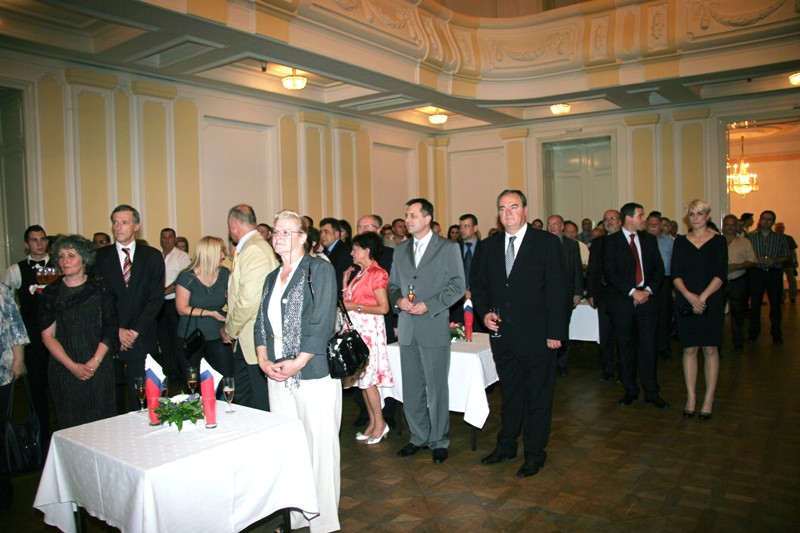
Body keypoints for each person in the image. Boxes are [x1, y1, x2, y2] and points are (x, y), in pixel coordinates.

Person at [254, 210, 340, 533]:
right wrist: (263, 360)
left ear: (303, 237)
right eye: (275, 232)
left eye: (286, 232)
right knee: (291, 449)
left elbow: (321, 323)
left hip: (312, 371)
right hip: (277, 372)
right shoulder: (271, 277)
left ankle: (324, 522)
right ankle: (297, 515)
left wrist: (298, 362)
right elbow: (260, 324)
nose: (278, 237)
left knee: (319, 448)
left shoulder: (319, 269)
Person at [472, 190, 567, 478]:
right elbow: (479, 286)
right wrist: (484, 312)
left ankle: (535, 454)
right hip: (503, 336)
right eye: (502, 208)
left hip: (539, 336)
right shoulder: (488, 247)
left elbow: (558, 290)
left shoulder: (546, 243)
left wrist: (555, 332)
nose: (508, 213)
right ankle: (507, 446)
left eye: (514, 206)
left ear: (525, 209)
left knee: (538, 397)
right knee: (511, 395)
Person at [388, 198, 465, 465]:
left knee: (436, 388)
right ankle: (418, 436)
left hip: (433, 324)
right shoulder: (401, 249)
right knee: (411, 387)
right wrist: (398, 300)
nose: (407, 220)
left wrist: (429, 305)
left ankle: (439, 440)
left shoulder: (447, 247)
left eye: (413, 215)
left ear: (427, 218)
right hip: (407, 327)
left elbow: (458, 286)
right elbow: (392, 286)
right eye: (406, 215)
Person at [40, 235, 118, 429]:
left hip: (99, 366)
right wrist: (72, 366)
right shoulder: (51, 292)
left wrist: (94, 362)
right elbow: (48, 336)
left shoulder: (101, 288)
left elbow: (110, 329)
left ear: (84, 259)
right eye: (61, 256)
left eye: (71, 255)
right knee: (72, 427)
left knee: (103, 426)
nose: (64, 261)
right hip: (64, 369)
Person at [94, 205, 164, 413]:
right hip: (109, 337)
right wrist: (116, 330)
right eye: (115, 222)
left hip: (141, 336)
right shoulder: (99, 257)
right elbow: (96, 299)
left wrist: (134, 331)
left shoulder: (152, 256)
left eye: (124, 222)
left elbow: (155, 299)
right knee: (110, 399)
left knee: (141, 399)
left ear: (136, 226)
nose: (118, 227)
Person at [603, 202, 669, 409]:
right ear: (629, 218)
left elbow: (659, 270)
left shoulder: (649, 240)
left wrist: (647, 291)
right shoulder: (611, 242)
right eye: (641, 215)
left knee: (648, 347)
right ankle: (630, 390)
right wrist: (633, 292)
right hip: (623, 303)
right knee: (626, 348)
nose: (644, 219)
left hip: (647, 301)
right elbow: (611, 273)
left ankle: (652, 392)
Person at [671, 200, 727, 421]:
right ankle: (691, 397)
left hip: (711, 300)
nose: (695, 218)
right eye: (692, 214)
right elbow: (675, 273)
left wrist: (702, 298)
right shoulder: (681, 242)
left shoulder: (718, 241)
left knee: (710, 349)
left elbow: (720, 274)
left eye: (700, 214)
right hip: (686, 299)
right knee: (689, 349)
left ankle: (708, 399)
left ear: (708, 216)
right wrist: (689, 296)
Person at [222, 204, 279, 411]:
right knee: (245, 400)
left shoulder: (254, 249)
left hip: (255, 337)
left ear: (233, 224)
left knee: (258, 402)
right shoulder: (252, 247)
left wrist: (230, 329)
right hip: (247, 339)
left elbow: (249, 301)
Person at [1, 225, 55, 441]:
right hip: (32, 335)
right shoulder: (16, 270)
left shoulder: (60, 264)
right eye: (34, 240)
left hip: (59, 333)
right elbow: (7, 305)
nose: (39, 243)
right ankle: (41, 433)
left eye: (42, 239)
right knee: (36, 385)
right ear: (26, 244)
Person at [342, 232, 393, 444]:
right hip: (358, 330)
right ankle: (372, 423)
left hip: (369, 330)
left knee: (369, 381)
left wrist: (357, 307)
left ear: (366, 250)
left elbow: (383, 307)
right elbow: (348, 301)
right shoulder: (360, 273)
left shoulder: (377, 273)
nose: (352, 253)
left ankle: (380, 424)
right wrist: (345, 284)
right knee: (363, 381)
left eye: (355, 249)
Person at [175, 236, 232, 380]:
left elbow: (232, 301)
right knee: (193, 381)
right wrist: (209, 313)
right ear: (210, 254)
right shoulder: (187, 277)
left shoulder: (224, 273)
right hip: (192, 336)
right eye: (220, 252)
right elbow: (181, 308)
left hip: (218, 334)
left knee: (225, 378)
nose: (223, 256)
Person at [0, 284, 28, 510]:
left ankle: (3, 491)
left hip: (1, 374)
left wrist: (19, 360)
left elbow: (16, 326)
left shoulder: (1, 290)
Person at [587, 210, 622, 381]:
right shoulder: (598, 243)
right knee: (606, 335)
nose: (609, 222)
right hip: (603, 296)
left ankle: (624, 370)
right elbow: (592, 269)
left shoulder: (627, 241)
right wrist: (591, 293)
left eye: (613, 218)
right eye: (606, 219)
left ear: (620, 221)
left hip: (623, 296)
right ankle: (608, 369)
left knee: (623, 336)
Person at [547, 214, 582, 376]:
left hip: (566, 294)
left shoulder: (572, 245)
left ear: (562, 226)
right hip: (546, 295)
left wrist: (578, 291)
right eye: (549, 223)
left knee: (563, 327)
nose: (552, 226)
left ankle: (562, 363)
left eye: (555, 223)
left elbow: (577, 269)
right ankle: (549, 362)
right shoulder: (542, 243)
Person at [747, 210, 789, 345]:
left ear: (773, 222)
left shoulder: (780, 238)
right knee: (755, 305)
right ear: (760, 220)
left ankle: (776, 334)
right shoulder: (751, 238)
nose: (766, 221)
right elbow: (746, 255)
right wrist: (755, 259)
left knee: (775, 305)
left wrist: (774, 260)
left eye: (769, 219)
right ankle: (753, 333)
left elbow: (786, 256)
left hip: (773, 273)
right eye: (764, 218)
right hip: (756, 273)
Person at [157, 228, 192, 386]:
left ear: (175, 239)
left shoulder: (182, 257)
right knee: (164, 342)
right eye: (164, 237)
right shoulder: (157, 256)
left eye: (170, 237)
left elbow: (183, 280)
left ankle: (185, 379)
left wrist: (164, 291)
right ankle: (171, 377)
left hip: (175, 303)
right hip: (159, 304)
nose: (167, 240)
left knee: (178, 341)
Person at [722, 215, 755, 350]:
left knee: (738, 313)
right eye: (727, 225)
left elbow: (752, 261)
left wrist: (739, 266)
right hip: (719, 282)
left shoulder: (745, 242)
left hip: (738, 281)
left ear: (736, 226)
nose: (729, 228)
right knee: (717, 313)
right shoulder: (716, 241)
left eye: (732, 225)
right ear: (723, 226)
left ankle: (738, 341)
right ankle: (716, 343)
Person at [320, 218, 353, 293]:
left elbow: (341, 280)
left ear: (337, 234)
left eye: (326, 232)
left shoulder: (345, 252)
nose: (322, 235)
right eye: (321, 232)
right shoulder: (325, 251)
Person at [774, 222, 797, 303]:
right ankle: (782, 296)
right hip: (778, 262)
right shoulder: (773, 238)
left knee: (792, 280)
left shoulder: (789, 238)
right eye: (779, 228)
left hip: (788, 262)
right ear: (775, 229)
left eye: (782, 227)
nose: (781, 229)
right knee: (779, 281)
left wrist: (795, 260)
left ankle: (792, 296)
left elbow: (793, 250)